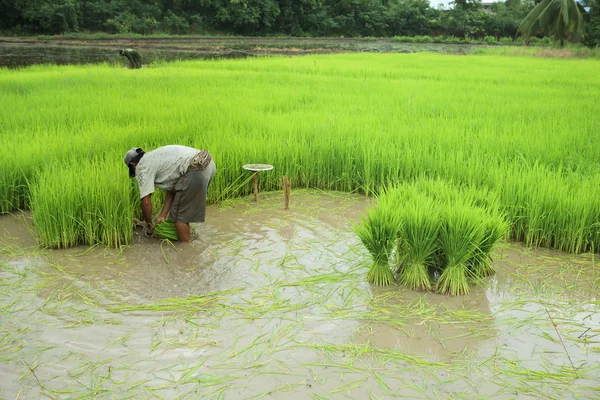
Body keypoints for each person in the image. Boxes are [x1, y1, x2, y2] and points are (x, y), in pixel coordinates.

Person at [124, 145, 216, 242]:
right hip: (208, 165)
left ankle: (186, 252)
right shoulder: (155, 157)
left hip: (195, 170)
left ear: (133, 164)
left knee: (179, 218)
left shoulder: (142, 166)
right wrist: (162, 215)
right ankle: (187, 241)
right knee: (181, 211)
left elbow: (146, 201)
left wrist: (149, 225)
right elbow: (173, 188)